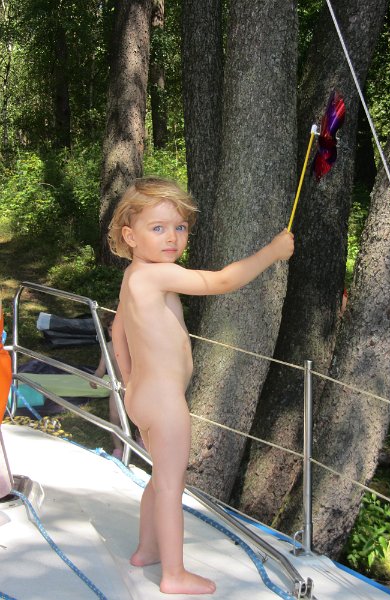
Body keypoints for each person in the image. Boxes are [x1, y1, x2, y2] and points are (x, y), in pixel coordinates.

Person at [108, 176, 294, 595]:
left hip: (143, 396)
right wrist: (273, 252)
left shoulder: (134, 276)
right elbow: (220, 282)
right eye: (158, 228)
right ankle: (174, 574)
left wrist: (129, 380)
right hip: (165, 402)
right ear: (130, 236)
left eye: (180, 227)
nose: (172, 237)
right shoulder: (159, 276)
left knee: (159, 477)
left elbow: (118, 330)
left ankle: (146, 550)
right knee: (171, 485)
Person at [90, 313, 124, 459]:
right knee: (114, 416)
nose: (114, 333)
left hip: (134, 386)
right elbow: (100, 369)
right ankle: (118, 447)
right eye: (110, 330)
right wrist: (95, 378)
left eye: (118, 330)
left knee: (140, 416)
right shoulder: (108, 348)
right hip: (116, 387)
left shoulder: (132, 345)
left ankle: (141, 439)